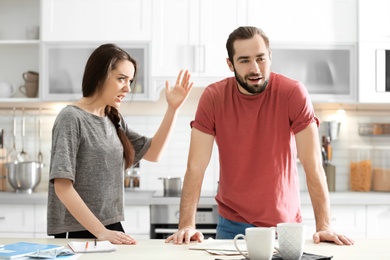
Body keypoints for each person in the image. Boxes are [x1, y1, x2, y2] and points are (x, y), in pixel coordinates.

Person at [166, 26, 354, 246]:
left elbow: (313, 166)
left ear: (270, 57)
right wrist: (187, 225)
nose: (255, 68)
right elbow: (195, 167)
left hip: (284, 227)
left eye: (261, 59)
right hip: (231, 225)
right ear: (230, 64)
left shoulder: (293, 93)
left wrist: (324, 226)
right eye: (244, 60)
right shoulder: (213, 97)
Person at [47, 43, 193, 245]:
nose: (128, 88)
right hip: (79, 232)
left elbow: (153, 153)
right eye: (121, 79)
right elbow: (62, 186)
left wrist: (172, 109)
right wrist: (101, 232)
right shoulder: (71, 118)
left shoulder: (113, 118)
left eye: (130, 80)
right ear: (100, 75)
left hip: (110, 227)